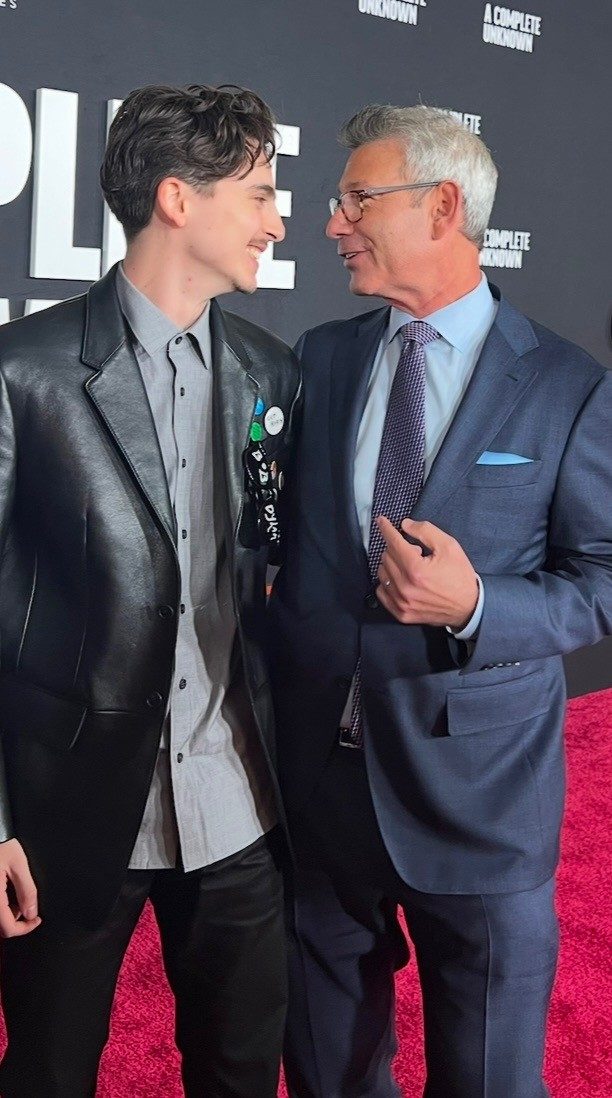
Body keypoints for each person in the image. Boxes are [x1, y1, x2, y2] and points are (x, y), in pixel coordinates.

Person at [268, 104, 612, 1097]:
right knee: (329, 1072)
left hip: (480, 802)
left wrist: (474, 604)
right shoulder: (324, 357)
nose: (331, 223)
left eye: (354, 200)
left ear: (444, 207)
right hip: (323, 794)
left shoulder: (568, 386)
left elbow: (599, 585)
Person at [0, 83, 300, 1097]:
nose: (279, 218)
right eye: (260, 192)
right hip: (69, 816)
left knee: (242, 1073)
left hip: (241, 812)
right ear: (179, 198)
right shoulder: (23, 371)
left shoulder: (271, 374)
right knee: (47, 1072)